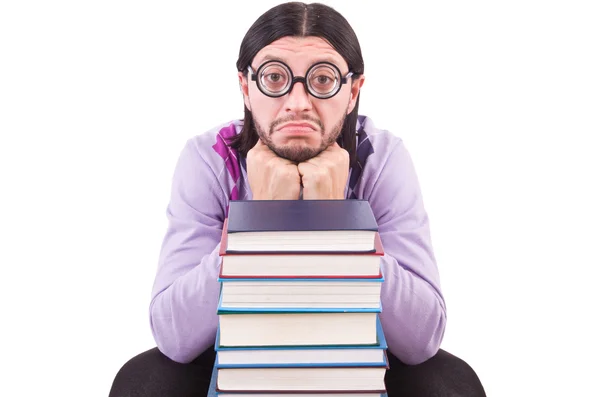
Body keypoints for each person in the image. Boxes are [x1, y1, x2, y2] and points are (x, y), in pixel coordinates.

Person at [110, 2, 486, 396]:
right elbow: (174, 335)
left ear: (353, 90)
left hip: (363, 346)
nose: (298, 103)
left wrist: (339, 221)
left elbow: (422, 338)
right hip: (231, 349)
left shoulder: (383, 158)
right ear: (246, 87)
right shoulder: (208, 159)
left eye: (322, 80)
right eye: (275, 77)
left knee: (450, 383)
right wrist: (257, 222)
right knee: (144, 381)